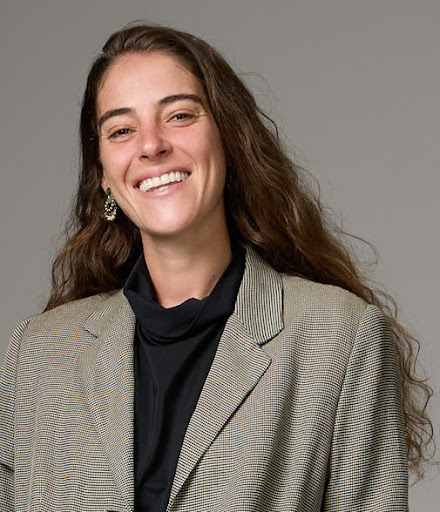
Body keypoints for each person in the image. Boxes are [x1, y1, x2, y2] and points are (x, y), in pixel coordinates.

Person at [0, 23, 434, 512]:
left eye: (179, 115)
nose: (151, 144)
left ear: (228, 138)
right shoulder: (36, 357)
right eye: (121, 130)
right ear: (103, 175)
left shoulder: (339, 338)